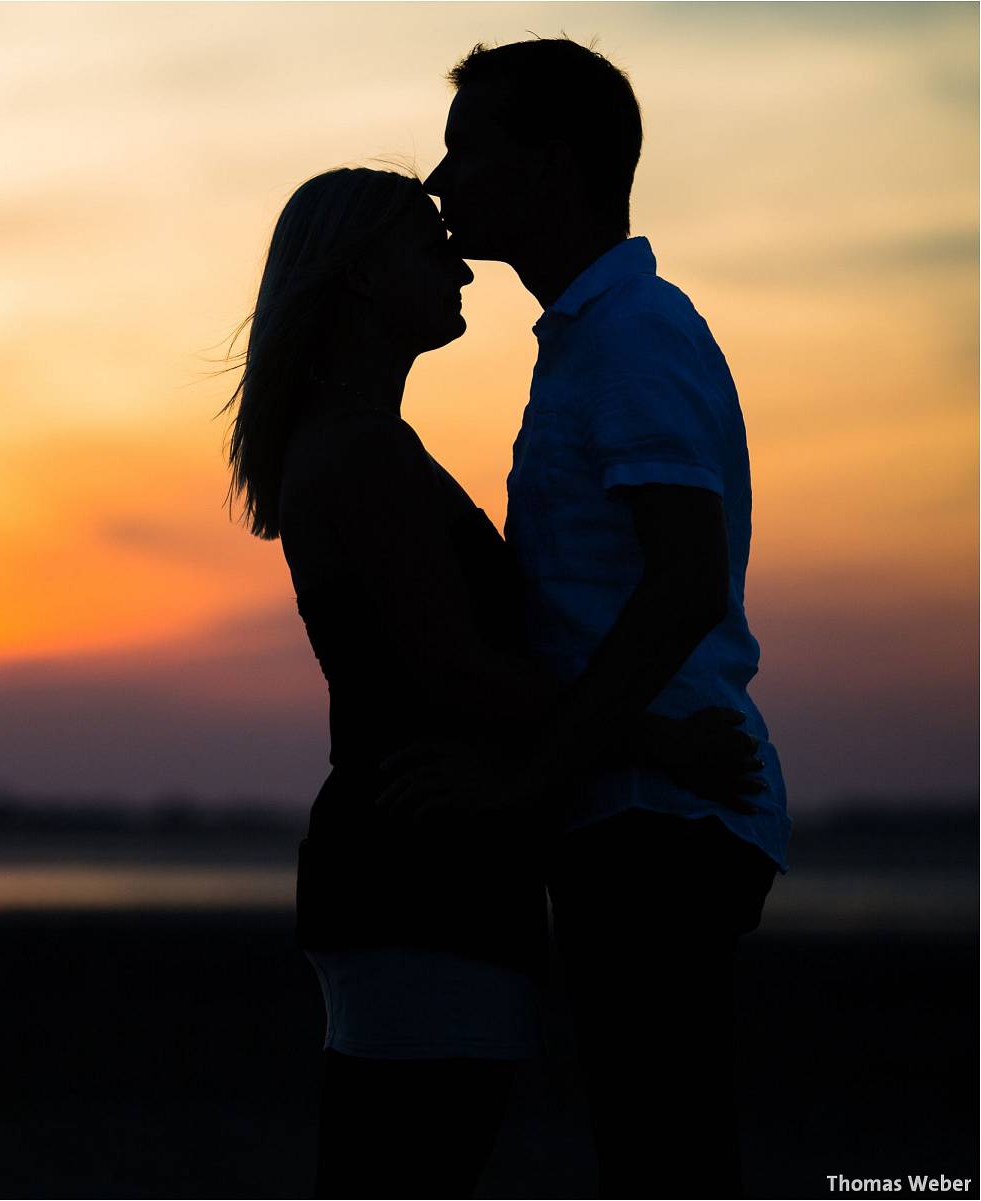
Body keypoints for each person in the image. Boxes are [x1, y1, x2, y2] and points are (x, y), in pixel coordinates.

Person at [219, 166, 763, 1199]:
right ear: (365, 279)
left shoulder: (361, 447)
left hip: (424, 857)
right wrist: (664, 740)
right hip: (419, 858)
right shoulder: (359, 455)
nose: (459, 260)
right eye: (430, 246)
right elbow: (455, 673)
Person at [421, 36, 794, 1197]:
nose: (441, 181)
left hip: (660, 814)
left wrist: (537, 775)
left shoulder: (633, 335)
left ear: (553, 163)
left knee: (666, 1154)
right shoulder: (591, 338)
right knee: (652, 1147)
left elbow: (685, 579)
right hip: (633, 803)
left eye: (466, 149)